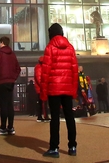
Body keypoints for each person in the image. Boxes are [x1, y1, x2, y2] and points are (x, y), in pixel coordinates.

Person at [41, 23, 79, 158]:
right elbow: (75, 71)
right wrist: (74, 90)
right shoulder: (70, 48)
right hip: (68, 88)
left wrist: (43, 92)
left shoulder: (50, 47)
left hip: (54, 88)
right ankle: (72, 146)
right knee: (70, 116)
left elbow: (45, 72)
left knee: (55, 118)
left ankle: (54, 148)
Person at [0, 36, 21, 136]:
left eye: (0, 43)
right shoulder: (12, 54)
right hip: (10, 82)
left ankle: (3, 127)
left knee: (3, 105)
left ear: (2, 42)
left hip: (1, 82)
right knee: (9, 105)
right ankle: (11, 127)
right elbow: (18, 68)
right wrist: (13, 78)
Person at [34, 57, 50, 121]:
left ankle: (40, 116)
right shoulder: (40, 68)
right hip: (41, 88)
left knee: (41, 103)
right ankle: (45, 116)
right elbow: (39, 78)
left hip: (40, 88)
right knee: (43, 102)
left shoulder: (39, 67)